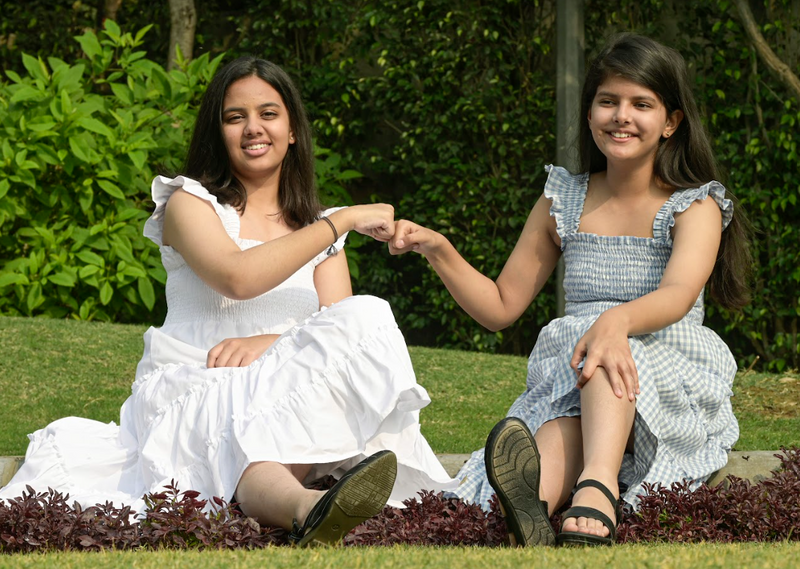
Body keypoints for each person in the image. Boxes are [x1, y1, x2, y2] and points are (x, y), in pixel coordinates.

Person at [0, 56, 455, 546]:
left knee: (369, 312)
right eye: (235, 117)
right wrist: (339, 222)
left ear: (293, 130)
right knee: (237, 430)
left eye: (268, 114)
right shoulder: (188, 204)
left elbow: (339, 330)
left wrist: (271, 343)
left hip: (284, 389)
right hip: (198, 378)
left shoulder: (320, 232)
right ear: (217, 132)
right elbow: (236, 278)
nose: (253, 128)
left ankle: (315, 506)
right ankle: (310, 506)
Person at [389, 33, 750, 547]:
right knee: (558, 430)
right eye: (608, 101)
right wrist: (438, 248)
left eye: (640, 104)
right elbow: (500, 307)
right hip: (575, 377)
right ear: (589, 113)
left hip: (667, 364)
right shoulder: (562, 200)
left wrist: (615, 322)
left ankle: (599, 485)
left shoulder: (694, 205)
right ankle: (532, 505)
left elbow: (677, 293)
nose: (621, 115)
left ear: (671, 121)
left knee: (605, 354)